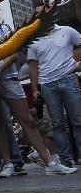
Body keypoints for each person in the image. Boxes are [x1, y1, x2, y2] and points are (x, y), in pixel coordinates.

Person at [0, 7, 76, 176]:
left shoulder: (5, 29)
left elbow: (15, 52)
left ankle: (49, 162)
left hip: (8, 78)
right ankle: (8, 163)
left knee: (27, 120)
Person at [27, 15, 81, 168]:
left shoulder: (67, 30)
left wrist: (78, 64)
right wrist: (35, 89)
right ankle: (65, 158)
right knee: (57, 124)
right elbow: (32, 67)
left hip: (69, 78)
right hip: (47, 84)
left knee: (78, 120)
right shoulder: (33, 39)